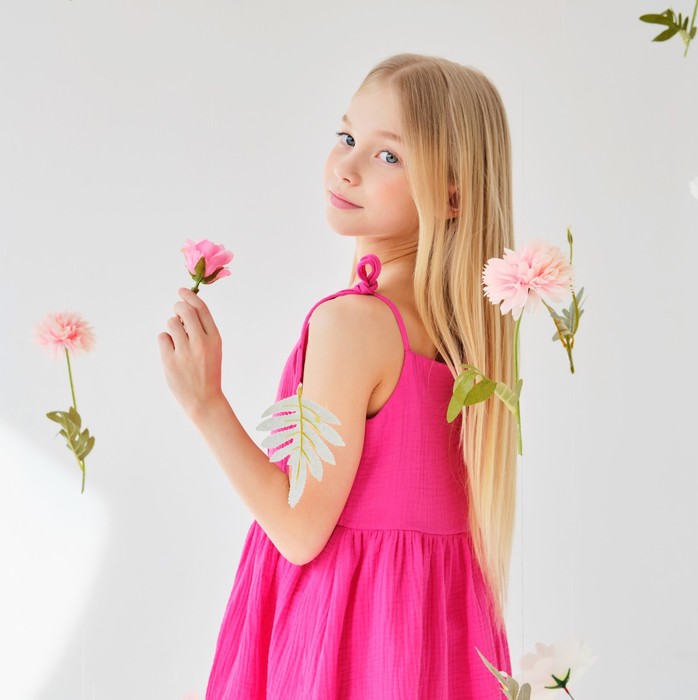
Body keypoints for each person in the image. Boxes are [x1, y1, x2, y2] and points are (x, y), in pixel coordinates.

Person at [158, 52, 517, 699]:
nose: (346, 168)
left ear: (453, 194)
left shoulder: (354, 324)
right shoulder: (466, 338)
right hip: (425, 647)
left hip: (340, 642)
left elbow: (300, 531)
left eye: (389, 155)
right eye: (347, 137)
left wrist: (205, 402)